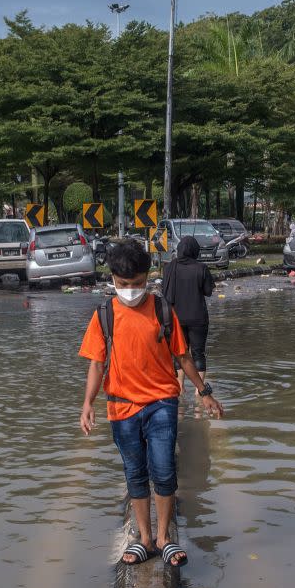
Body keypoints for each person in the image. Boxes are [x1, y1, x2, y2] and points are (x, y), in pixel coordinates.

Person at [79, 240, 224, 568]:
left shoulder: (161, 310)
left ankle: (165, 538)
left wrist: (204, 392)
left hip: (161, 402)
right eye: (123, 284)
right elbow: (96, 365)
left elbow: (183, 357)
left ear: (149, 278)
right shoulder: (104, 316)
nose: (131, 290)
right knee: (135, 472)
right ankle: (145, 538)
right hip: (121, 406)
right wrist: (87, 404)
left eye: (138, 284)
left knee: (163, 468)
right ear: (112, 280)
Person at [162, 236, 215, 389]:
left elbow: (164, 292)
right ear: (195, 251)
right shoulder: (201, 268)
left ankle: (179, 387)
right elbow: (208, 292)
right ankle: (200, 391)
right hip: (198, 318)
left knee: (179, 353)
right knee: (198, 353)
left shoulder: (169, 268)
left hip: (175, 318)